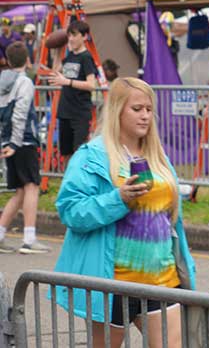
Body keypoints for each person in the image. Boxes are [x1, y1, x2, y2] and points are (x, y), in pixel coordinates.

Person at [54, 77, 196, 348]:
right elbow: (70, 210)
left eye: (149, 109)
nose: (145, 116)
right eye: (137, 109)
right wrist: (118, 200)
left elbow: (170, 217)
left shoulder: (158, 155)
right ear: (118, 110)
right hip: (113, 284)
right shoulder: (92, 155)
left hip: (163, 280)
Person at [0, 42, 48, 253]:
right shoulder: (25, 82)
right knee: (31, 187)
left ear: (8, 61)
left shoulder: (2, 81)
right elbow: (20, 113)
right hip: (23, 141)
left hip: (8, 141)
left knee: (20, 191)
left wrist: (7, 142)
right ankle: (29, 238)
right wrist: (15, 142)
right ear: (27, 60)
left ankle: (0, 234)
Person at [47, 20, 98, 158]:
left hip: (79, 113)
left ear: (84, 36)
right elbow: (55, 72)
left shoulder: (86, 57)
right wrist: (58, 50)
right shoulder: (70, 56)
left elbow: (91, 84)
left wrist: (68, 82)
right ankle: (67, 179)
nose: (71, 39)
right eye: (69, 35)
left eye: (74, 35)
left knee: (79, 153)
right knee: (66, 153)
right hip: (65, 111)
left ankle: (78, 179)